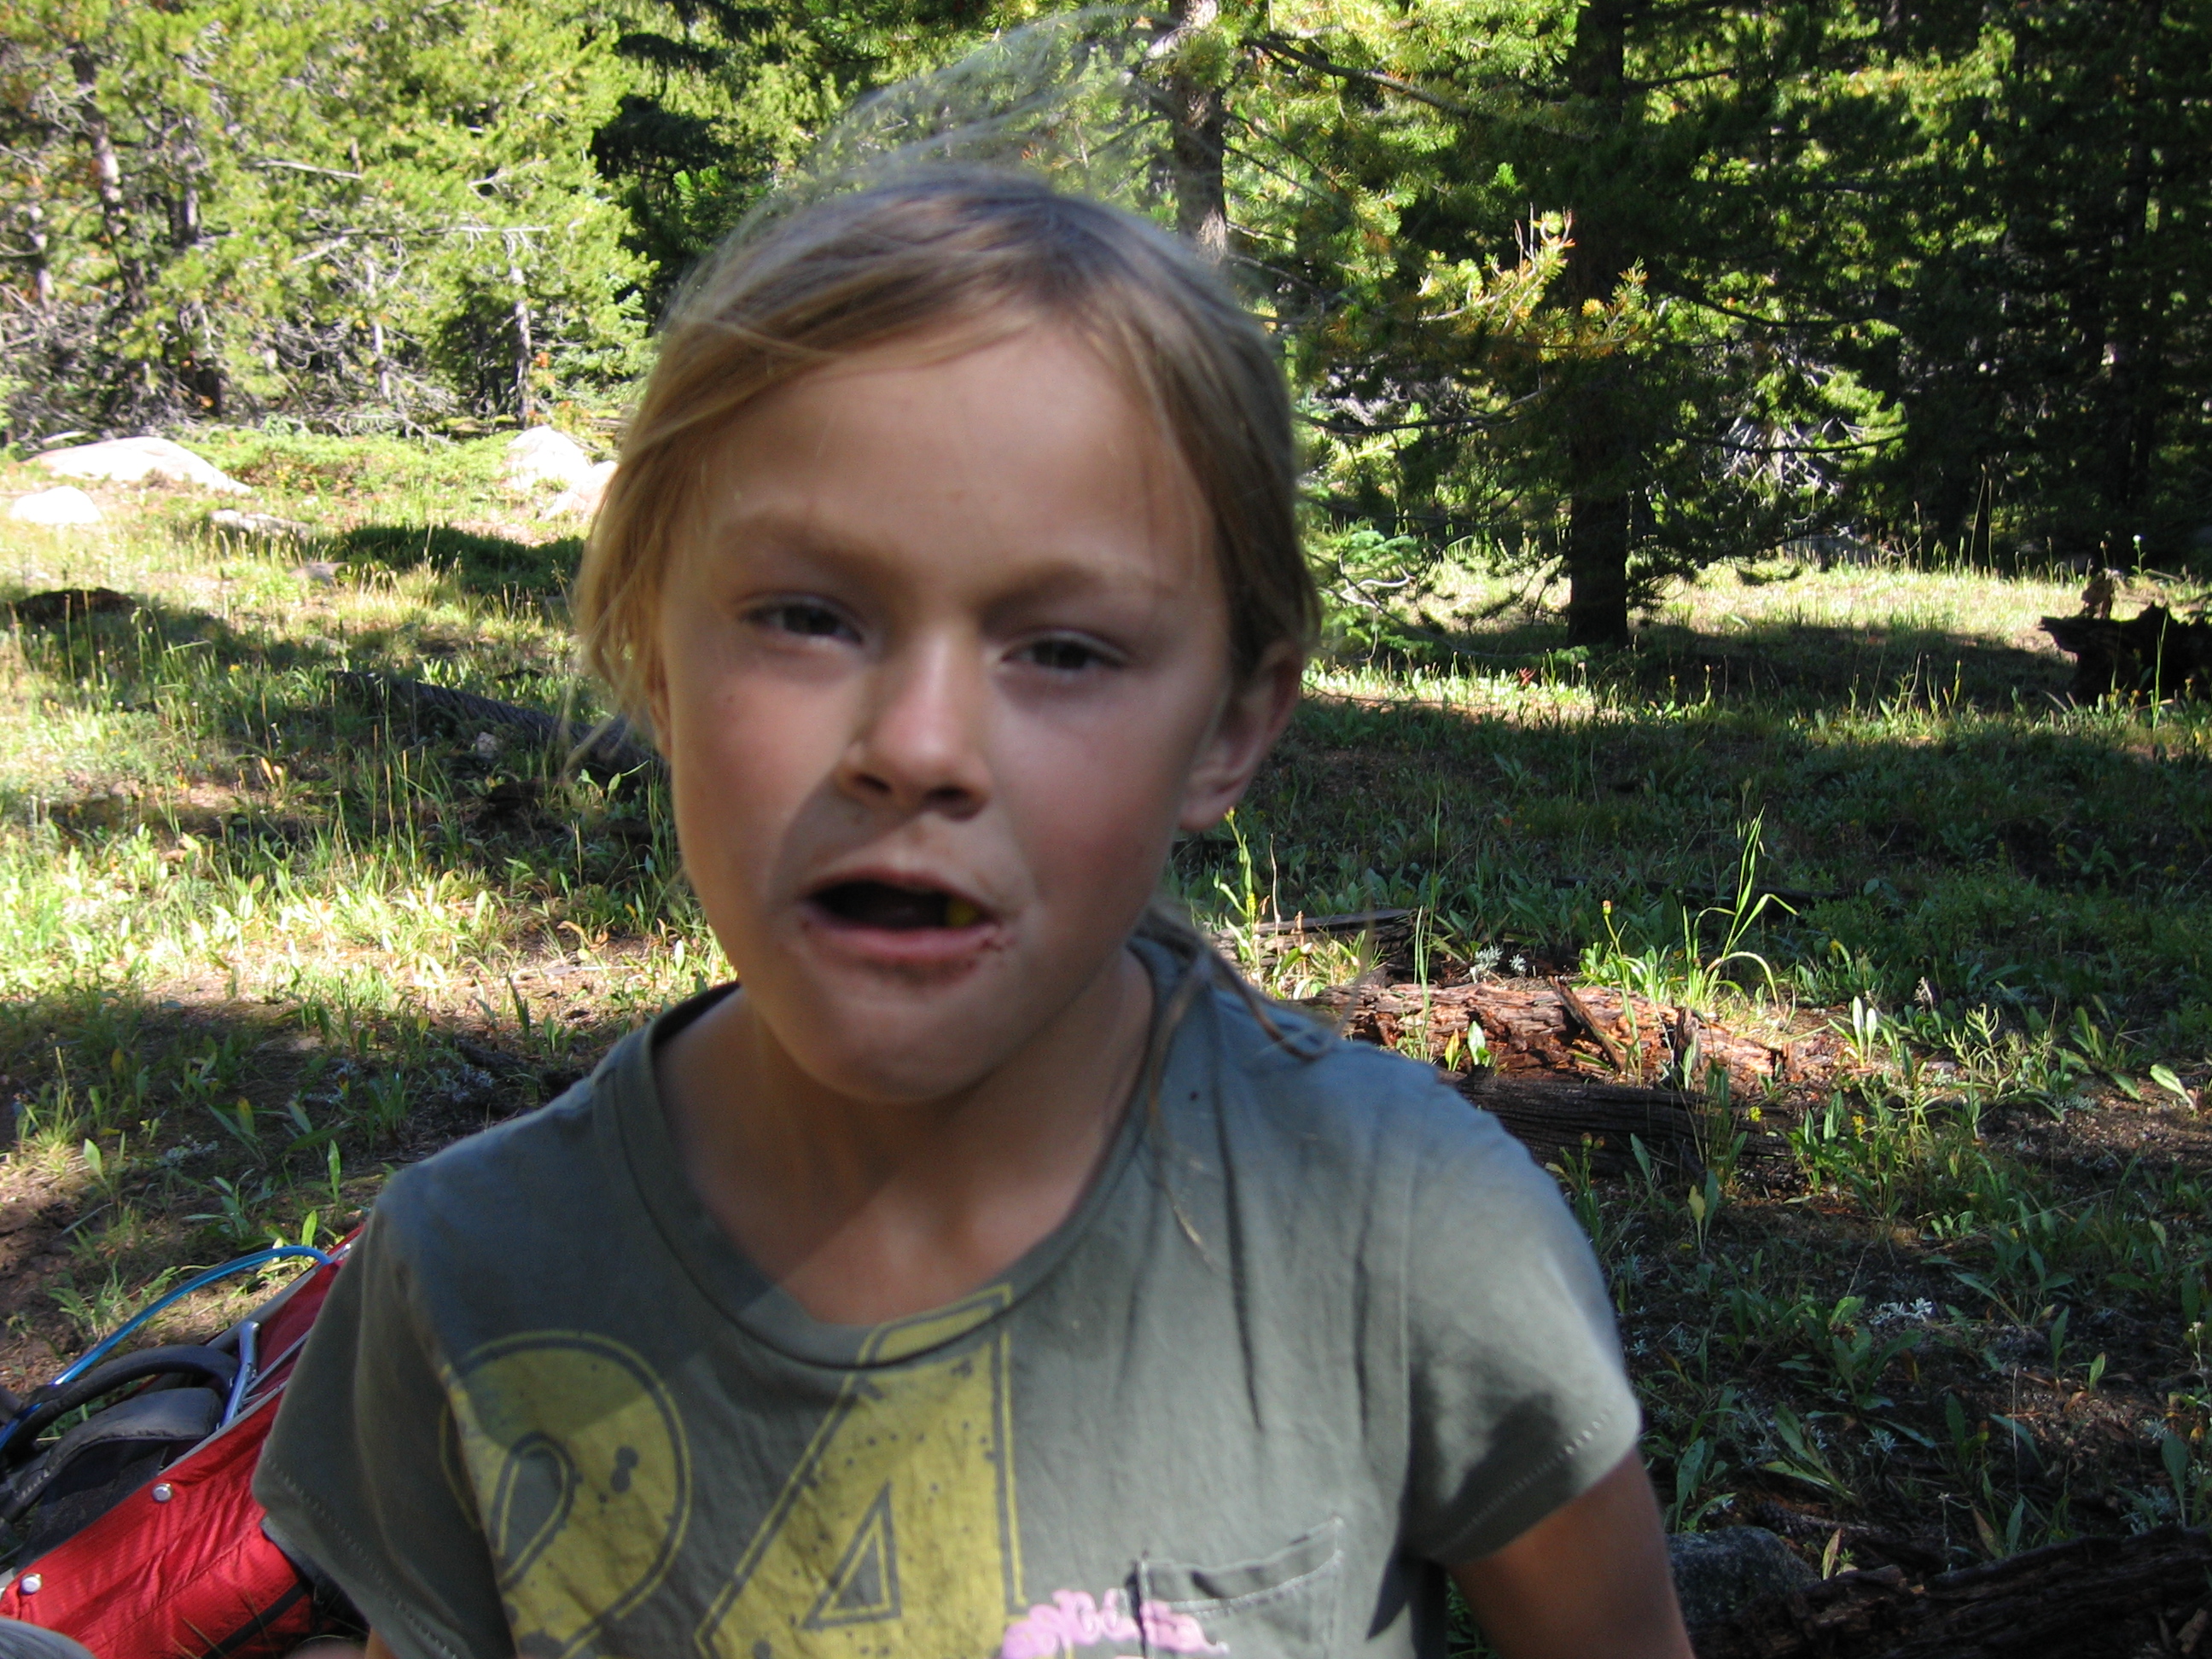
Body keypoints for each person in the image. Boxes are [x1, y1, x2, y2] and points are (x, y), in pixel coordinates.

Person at [253, 171, 1692, 1659]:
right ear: (654, 661)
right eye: (807, 616)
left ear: (1228, 727)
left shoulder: (1413, 1241)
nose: (920, 745)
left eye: (1063, 650)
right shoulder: (467, 1277)